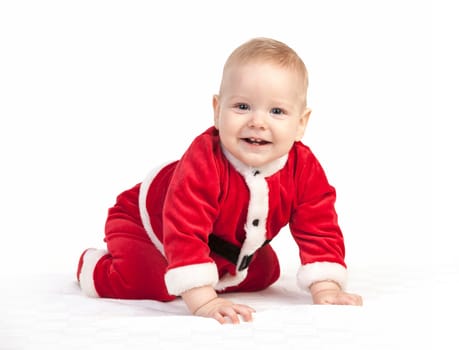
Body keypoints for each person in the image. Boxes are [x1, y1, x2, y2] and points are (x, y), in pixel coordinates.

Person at [77, 37, 363, 324]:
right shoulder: (205, 160)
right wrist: (204, 301)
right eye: (242, 106)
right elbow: (184, 228)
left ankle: (203, 271)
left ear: (301, 123)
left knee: (265, 274)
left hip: (222, 242)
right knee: (152, 282)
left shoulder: (304, 167)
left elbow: (319, 225)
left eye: (276, 111)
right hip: (146, 224)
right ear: (217, 109)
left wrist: (326, 285)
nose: (257, 122)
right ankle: (94, 268)